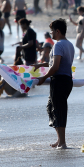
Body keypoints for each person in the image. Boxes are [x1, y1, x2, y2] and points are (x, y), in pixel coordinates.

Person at [33, 18, 75, 149]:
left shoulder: (58, 45)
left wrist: (43, 78)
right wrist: (41, 65)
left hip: (60, 81)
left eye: (52, 31)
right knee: (52, 107)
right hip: (66, 80)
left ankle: (62, 143)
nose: (51, 34)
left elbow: (56, 67)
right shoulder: (69, 44)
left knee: (59, 110)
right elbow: (55, 63)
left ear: (58, 31)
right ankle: (59, 140)